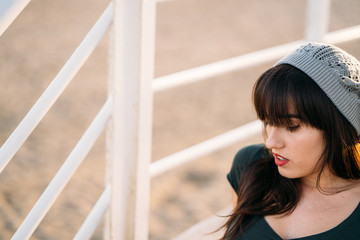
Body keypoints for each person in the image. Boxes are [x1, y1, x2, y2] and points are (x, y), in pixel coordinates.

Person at [221, 42, 360, 240]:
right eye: (268, 121)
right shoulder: (250, 166)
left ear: (338, 129)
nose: (271, 142)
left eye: (292, 126)